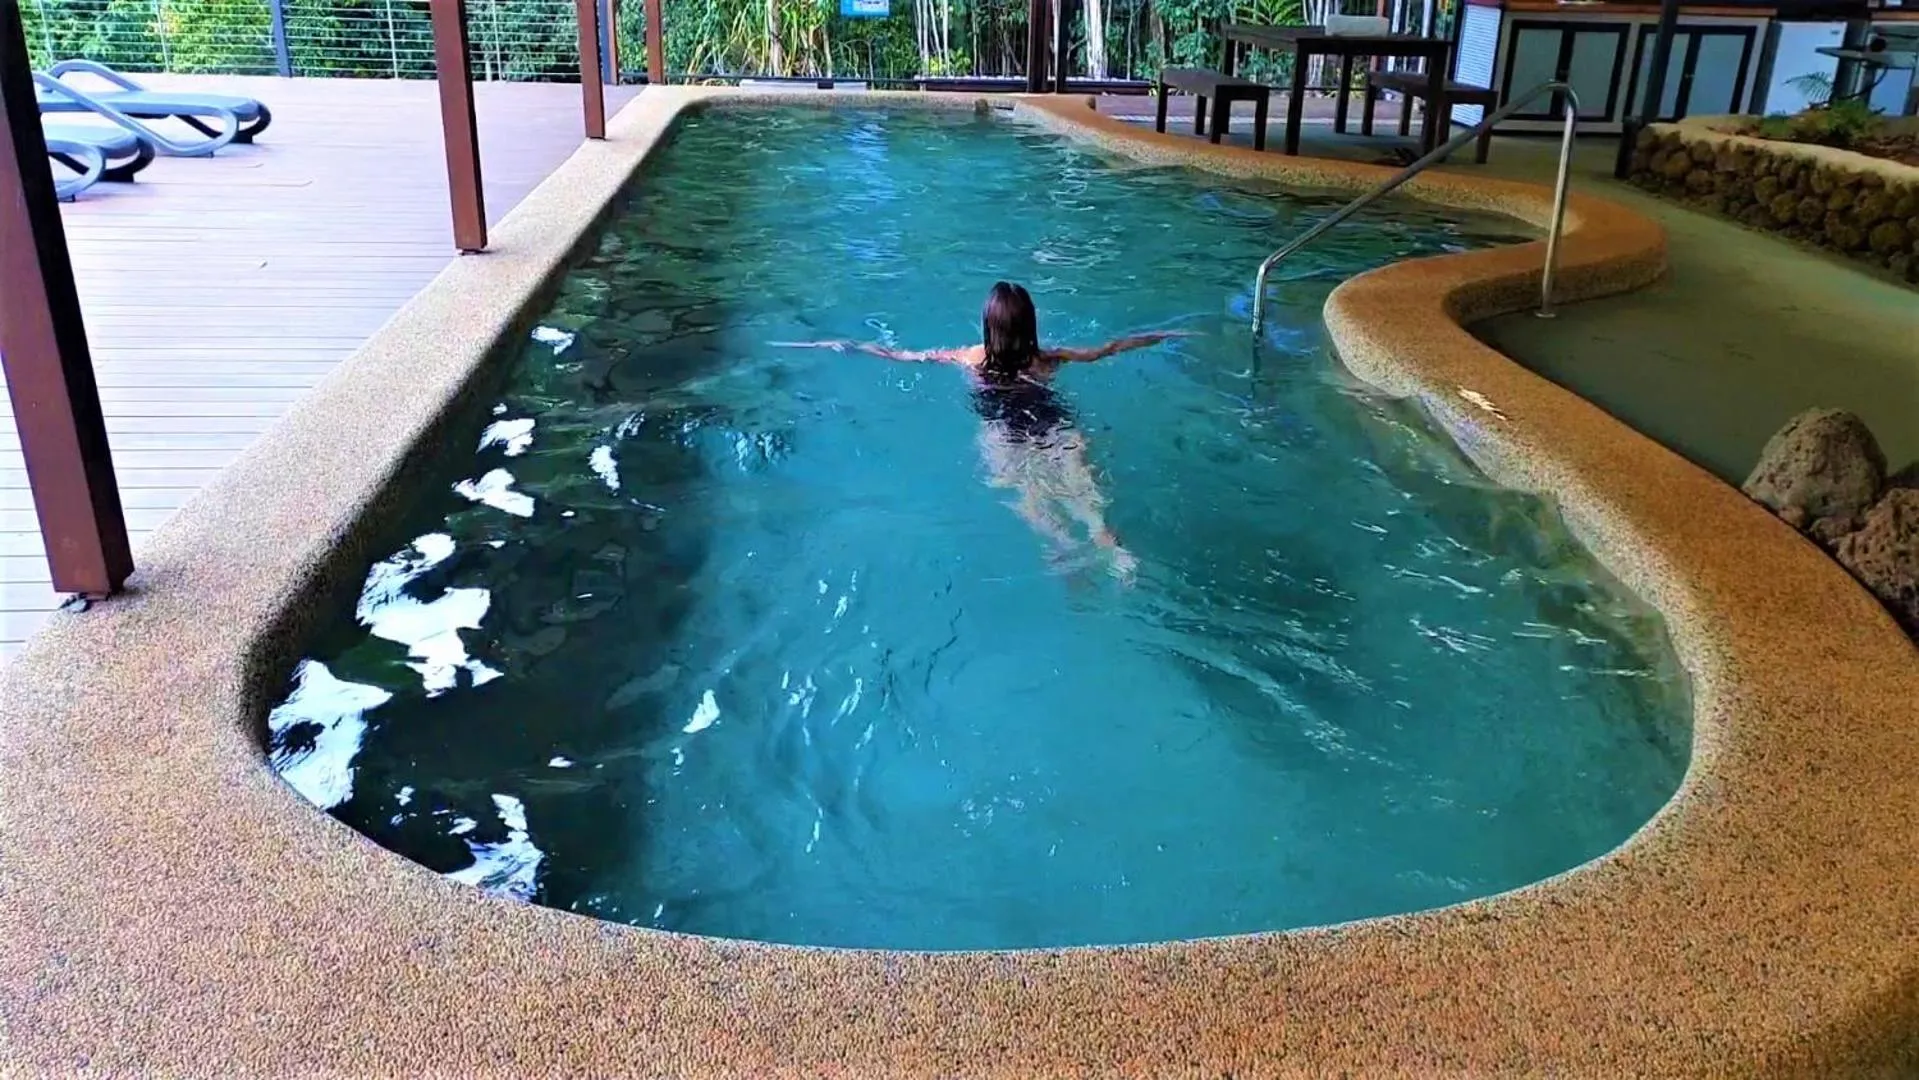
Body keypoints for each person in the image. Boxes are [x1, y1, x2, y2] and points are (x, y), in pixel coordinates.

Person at [780, 282, 1190, 582]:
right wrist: (1162, 336)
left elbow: (904, 356)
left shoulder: (970, 358)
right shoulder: (1047, 358)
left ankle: (1062, 550)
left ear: (988, 328)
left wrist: (846, 344)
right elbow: (1108, 349)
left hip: (1003, 431)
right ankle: (1106, 541)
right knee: (1082, 487)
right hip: (1053, 421)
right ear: (1030, 325)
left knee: (1029, 495)